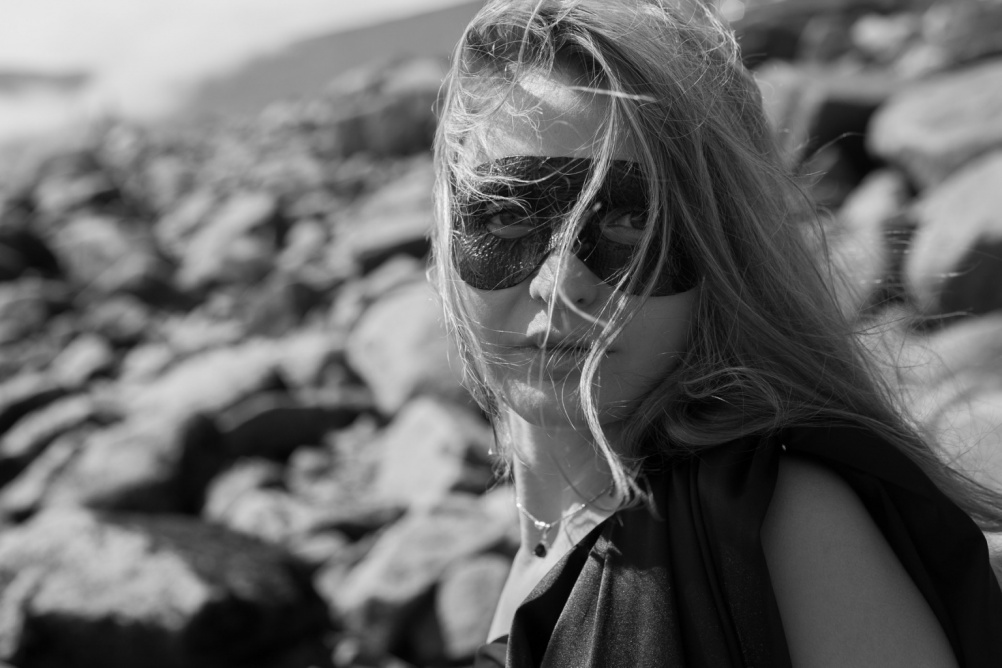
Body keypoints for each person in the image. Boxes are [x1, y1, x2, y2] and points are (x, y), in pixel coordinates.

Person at [429, 0, 1002, 665]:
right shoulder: (553, 531)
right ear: (444, 243)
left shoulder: (780, 528)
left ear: (724, 252)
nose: (560, 286)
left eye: (631, 223)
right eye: (505, 214)